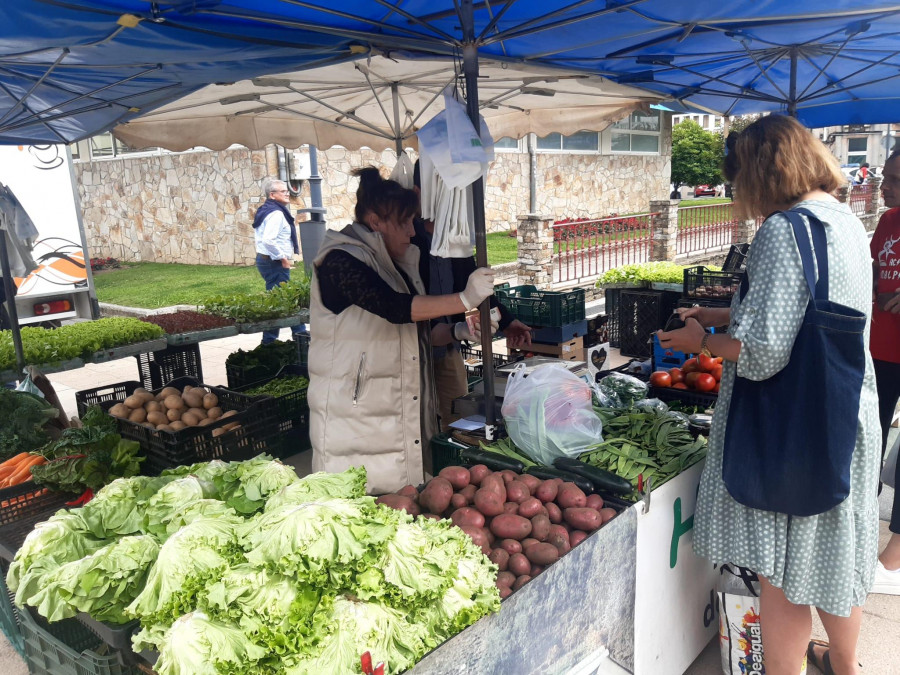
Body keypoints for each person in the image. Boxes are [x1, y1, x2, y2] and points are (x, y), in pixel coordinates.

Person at [658, 116, 879, 675]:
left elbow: (761, 353)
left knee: (784, 578)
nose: (738, 196)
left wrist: (701, 339)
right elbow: (812, 313)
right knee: (832, 560)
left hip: (793, 430)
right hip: (844, 415)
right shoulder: (842, 220)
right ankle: (847, 667)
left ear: (761, 172)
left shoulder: (784, 231)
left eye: (738, 181)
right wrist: (721, 313)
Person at [307, 167, 496, 494]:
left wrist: (459, 332)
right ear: (375, 220)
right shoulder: (339, 260)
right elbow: (393, 308)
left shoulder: (396, 265)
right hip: (355, 426)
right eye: (405, 222)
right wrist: (465, 298)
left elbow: (419, 333)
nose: (413, 232)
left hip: (398, 420)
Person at [409, 160, 532, 431]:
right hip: (410, 352)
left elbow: (475, 286)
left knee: (459, 423)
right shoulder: (406, 237)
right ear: (420, 192)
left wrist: (508, 321)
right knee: (419, 428)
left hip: (447, 349)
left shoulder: (454, 238)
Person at [869, 148, 900, 595]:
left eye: (894, 178)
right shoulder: (888, 221)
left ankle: (895, 553)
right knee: (869, 438)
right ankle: (858, 526)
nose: (883, 185)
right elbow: (872, 272)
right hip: (879, 349)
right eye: (884, 176)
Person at [251, 177, 304, 344]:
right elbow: (268, 240)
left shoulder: (266, 209)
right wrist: (283, 258)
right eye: (283, 191)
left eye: (287, 191)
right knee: (280, 302)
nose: (287, 193)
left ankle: (300, 334)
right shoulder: (276, 214)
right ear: (272, 195)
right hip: (274, 263)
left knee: (281, 300)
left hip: (267, 261)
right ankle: (272, 341)